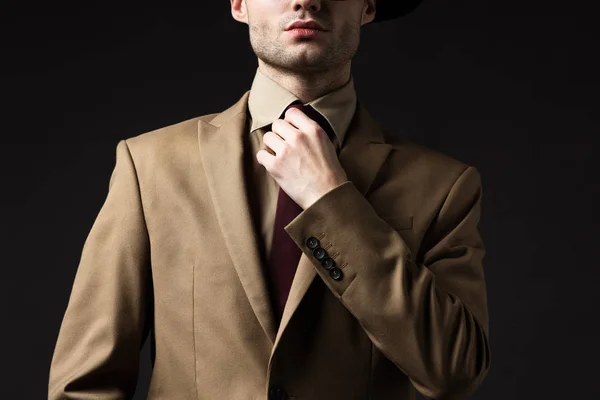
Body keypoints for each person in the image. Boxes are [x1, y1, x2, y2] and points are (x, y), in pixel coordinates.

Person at [48, 1, 491, 399]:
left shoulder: (444, 186)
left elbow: (455, 370)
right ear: (239, 4)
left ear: (368, 7)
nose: (307, 0)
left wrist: (330, 200)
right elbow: (85, 385)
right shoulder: (150, 168)